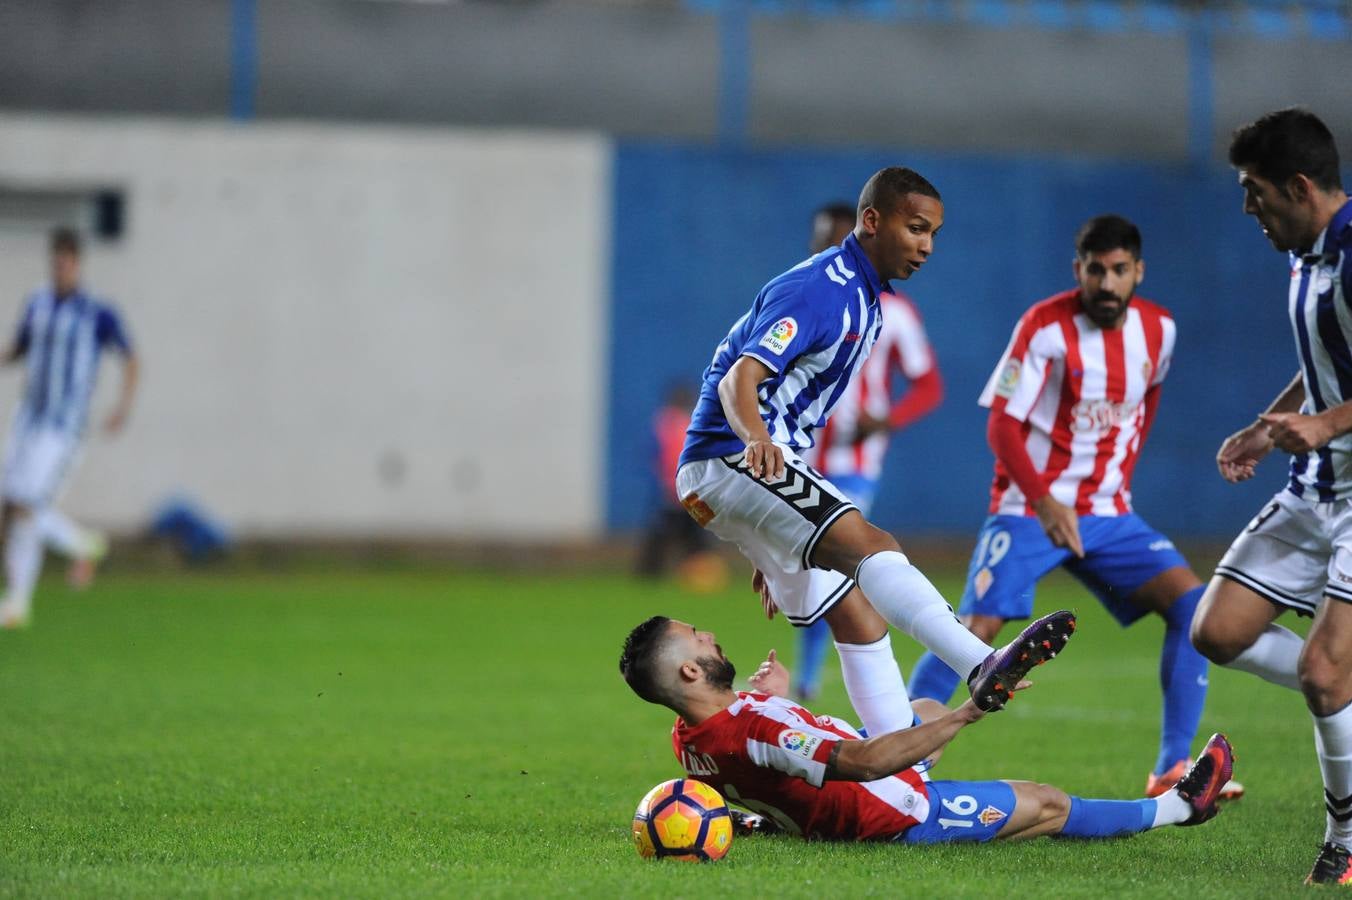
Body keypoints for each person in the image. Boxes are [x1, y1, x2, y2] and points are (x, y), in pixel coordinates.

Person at [677, 166, 1076, 746]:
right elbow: (740, 376)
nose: (927, 246)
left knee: (854, 609)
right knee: (873, 545)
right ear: (872, 221)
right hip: (731, 458)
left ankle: (895, 768)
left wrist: (770, 538)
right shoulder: (823, 289)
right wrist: (758, 444)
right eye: (916, 228)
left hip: (738, 472)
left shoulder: (865, 299)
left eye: (934, 234)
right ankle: (981, 661)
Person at [906, 215, 1238, 800]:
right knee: (976, 630)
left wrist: (1117, 483)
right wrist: (1043, 499)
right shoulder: (1044, 327)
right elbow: (1003, 426)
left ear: (1138, 271)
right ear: (1078, 269)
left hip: (1109, 512)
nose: (1106, 284)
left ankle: (1169, 766)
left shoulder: (1159, 330)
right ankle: (902, 759)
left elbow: (1146, 402)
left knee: (1194, 608)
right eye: (1095, 270)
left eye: (1118, 271)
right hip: (1028, 506)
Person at [619, 615, 1234, 843]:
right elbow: (863, 764)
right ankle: (1181, 809)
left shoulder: (688, 740)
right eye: (697, 637)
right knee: (1046, 804)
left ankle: (972, 656)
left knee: (924, 708)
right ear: (693, 669)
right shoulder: (754, 727)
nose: (709, 632)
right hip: (890, 809)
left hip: (846, 781)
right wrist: (975, 712)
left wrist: (778, 704)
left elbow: (753, 762)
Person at [1186, 108, 1352, 886]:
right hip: (1314, 486)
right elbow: (1330, 361)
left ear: (1297, 186)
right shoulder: (1305, 253)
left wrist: (1325, 423)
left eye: (1254, 193)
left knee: (1323, 675)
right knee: (1214, 631)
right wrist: (1267, 426)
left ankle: (1346, 840)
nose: (1247, 209)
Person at [791, 202, 945, 701]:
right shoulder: (798, 295)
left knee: (837, 567)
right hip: (797, 456)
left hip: (856, 464)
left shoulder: (894, 312)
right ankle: (819, 677)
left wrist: (886, 420)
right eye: (819, 241)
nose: (826, 250)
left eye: (835, 240)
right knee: (808, 573)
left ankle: (817, 681)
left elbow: (928, 385)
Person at [0, 228, 138, 628]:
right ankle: (18, 603)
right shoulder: (37, 304)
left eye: (67, 262)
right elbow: (20, 348)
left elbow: (130, 358)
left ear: (77, 264)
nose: (61, 268)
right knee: (11, 508)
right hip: (28, 416)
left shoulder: (96, 312)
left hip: (63, 426)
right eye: (56, 262)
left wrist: (122, 407)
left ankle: (81, 545)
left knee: (25, 502)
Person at [634, 384, 724, 590]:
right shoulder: (687, 423)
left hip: (674, 490)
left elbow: (653, 455)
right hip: (688, 490)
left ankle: (651, 574)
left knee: (667, 535)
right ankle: (701, 573)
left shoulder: (663, 422)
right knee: (695, 534)